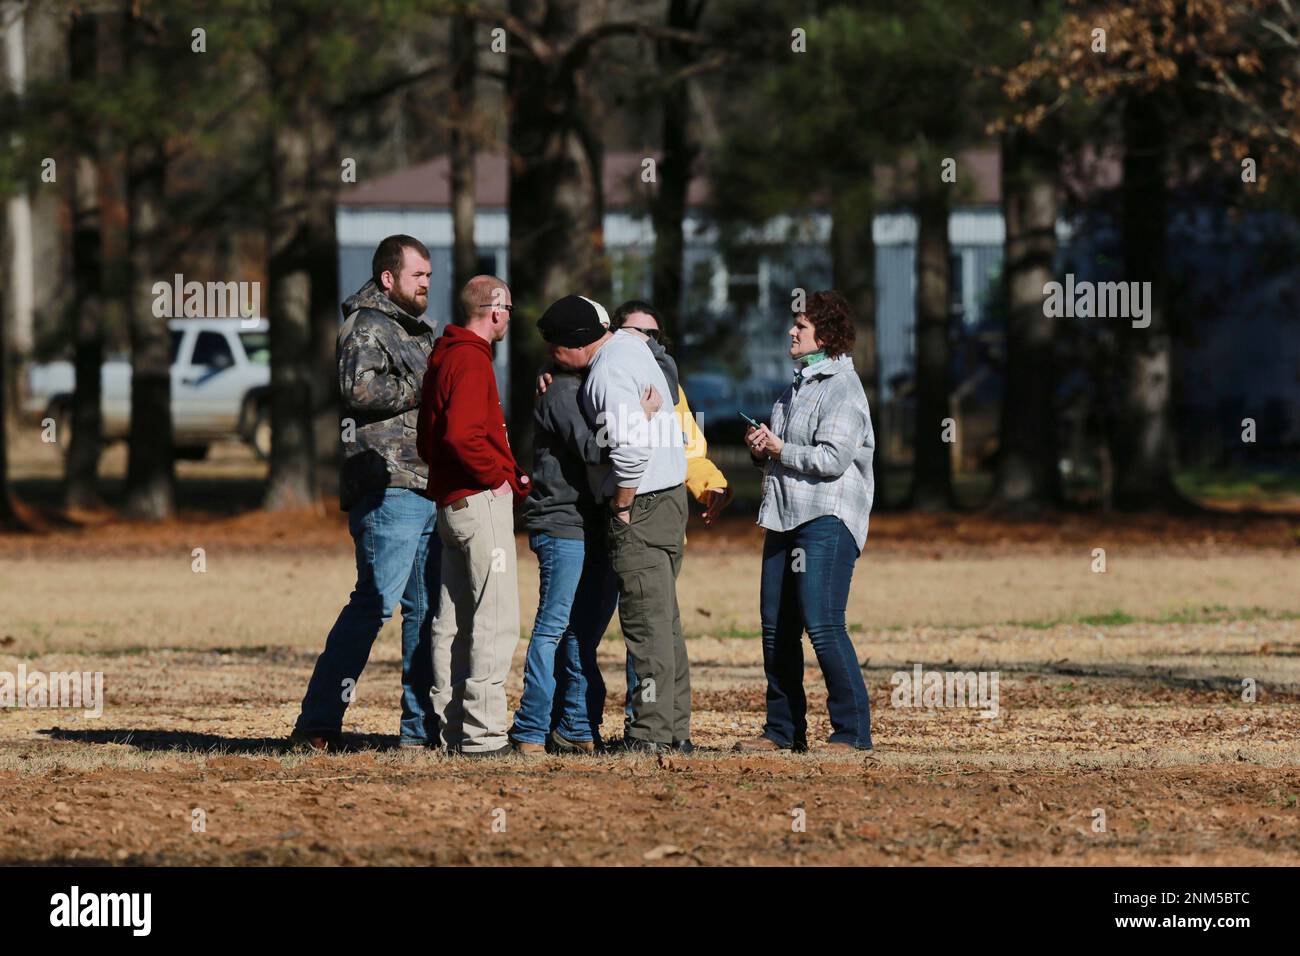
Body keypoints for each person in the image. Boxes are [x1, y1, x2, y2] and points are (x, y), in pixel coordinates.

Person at [291, 235, 441, 752]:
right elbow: (358, 389)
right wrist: (428, 386)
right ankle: (318, 723)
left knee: (424, 613)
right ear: (387, 278)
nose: (427, 282)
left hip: (427, 485)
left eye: (428, 275)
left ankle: (420, 732)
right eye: (418, 274)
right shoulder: (367, 326)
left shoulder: (414, 332)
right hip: (387, 487)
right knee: (374, 604)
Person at [538, 296, 690, 753]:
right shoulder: (632, 344)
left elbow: (628, 448)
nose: (551, 357)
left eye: (554, 348)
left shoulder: (605, 372)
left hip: (639, 502)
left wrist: (622, 506)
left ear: (577, 343)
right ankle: (674, 730)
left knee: (644, 627)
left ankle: (648, 736)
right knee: (666, 624)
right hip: (670, 498)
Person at [509, 296, 655, 756]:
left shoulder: (584, 382)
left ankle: (574, 724)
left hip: (588, 523)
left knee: (579, 632)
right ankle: (531, 729)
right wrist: (643, 417)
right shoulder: (562, 392)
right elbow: (597, 449)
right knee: (554, 626)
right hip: (562, 524)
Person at [736, 290, 875, 753]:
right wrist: (763, 450)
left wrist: (780, 450)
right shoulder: (796, 385)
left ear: (826, 336)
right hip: (783, 515)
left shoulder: (843, 389)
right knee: (776, 627)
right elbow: (783, 452)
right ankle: (782, 731)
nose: (791, 331)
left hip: (828, 517)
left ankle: (852, 733)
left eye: (801, 326)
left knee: (823, 624)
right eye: (794, 324)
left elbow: (834, 459)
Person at [608, 301, 732, 746]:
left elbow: (688, 451)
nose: (646, 342)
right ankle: (587, 725)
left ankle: (654, 729)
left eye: (654, 335)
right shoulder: (608, 371)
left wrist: (709, 485)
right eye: (636, 332)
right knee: (645, 628)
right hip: (607, 526)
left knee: (652, 628)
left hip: (649, 525)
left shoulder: (669, 386)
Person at [417, 275, 530, 757]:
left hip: (450, 503)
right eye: (510, 309)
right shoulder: (471, 358)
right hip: (478, 500)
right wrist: (499, 477)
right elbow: (463, 437)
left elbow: (429, 440)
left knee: (454, 617)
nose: (510, 318)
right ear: (496, 309)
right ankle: (483, 734)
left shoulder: (445, 355)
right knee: (496, 615)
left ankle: (454, 727)